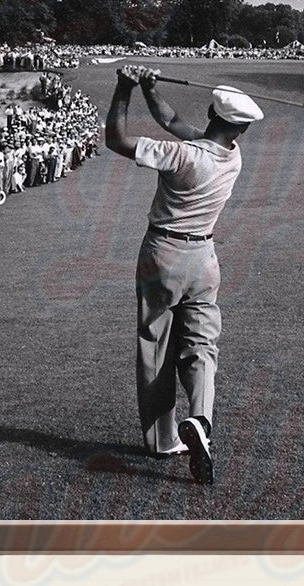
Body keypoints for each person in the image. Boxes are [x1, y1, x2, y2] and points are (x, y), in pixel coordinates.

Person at [104, 65, 262, 484]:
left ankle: (163, 439)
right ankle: (201, 420)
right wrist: (152, 90)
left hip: (162, 254)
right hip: (204, 258)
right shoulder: (233, 157)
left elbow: (116, 139)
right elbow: (173, 121)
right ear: (239, 130)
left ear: (212, 114)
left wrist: (125, 88)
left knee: (155, 344)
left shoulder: (181, 156)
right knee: (201, 346)